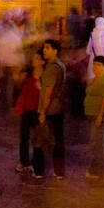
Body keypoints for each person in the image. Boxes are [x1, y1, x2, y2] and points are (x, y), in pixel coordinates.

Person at [37, 39, 67, 180]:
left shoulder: (52, 68)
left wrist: (43, 111)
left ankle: (41, 170)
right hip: (58, 107)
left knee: (44, 140)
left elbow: (48, 91)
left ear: (55, 50)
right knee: (58, 139)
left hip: (50, 109)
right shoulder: (60, 65)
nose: (44, 50)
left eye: (48, 48)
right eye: (44, 48)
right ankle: (59, 170)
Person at [84, 54, 104, 179]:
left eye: (99, 65)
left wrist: (100, 115)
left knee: (96, 143)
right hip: (91, 113)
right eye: (95, 64)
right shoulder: (94, 79)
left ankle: (96, 170)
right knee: (101, 142)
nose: (96, 67)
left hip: (99, 115)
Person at [14, 57, 43, 176]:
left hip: (37, 110)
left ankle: (37, 163)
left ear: (42, 61)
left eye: (36, 58)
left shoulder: (45, 76)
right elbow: (21, 90)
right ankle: (24, 162)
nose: (33, 60)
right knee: (24, 137)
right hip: (26, 110)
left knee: (37, 138)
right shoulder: (28, 74)